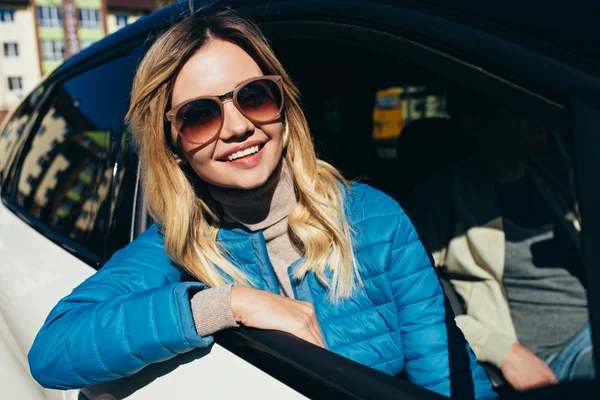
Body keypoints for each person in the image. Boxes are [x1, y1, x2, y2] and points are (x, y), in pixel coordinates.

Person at [27, 10, 495, 399]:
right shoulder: (176, 247)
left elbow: (447, 381)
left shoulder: (376, 221)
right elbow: (53, 353)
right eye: (200, 114)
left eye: (253, 96)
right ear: (171, 146)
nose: (237, 126)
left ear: (282, 104)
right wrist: (230, 303)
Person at [409, 84, 595, 392]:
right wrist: (502, 351)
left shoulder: (557, 177)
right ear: (475, 125)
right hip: (552, 355)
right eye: (518, 110)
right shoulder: (442, 197)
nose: (536, 119)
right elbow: (418, 307)